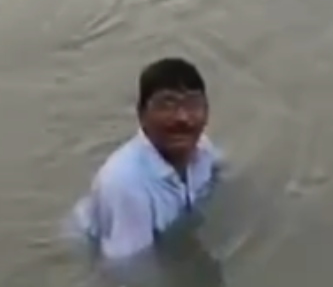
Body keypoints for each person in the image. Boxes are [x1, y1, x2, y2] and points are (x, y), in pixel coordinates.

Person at [64, 57, 224, 261]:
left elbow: (226, 178)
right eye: (167, 104)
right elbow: (127, 267)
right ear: (141, 114)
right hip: (94, 244)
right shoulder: (125, 185)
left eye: (193, 104)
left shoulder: (203, 149)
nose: (183, 118)